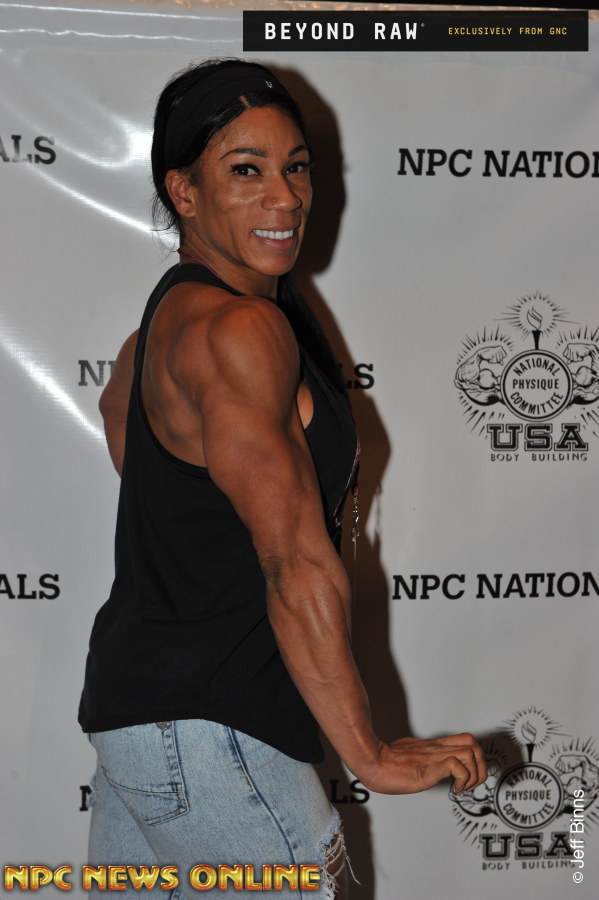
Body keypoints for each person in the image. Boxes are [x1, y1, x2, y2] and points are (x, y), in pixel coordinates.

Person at [79, 59, 487, 898]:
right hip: (215, 730)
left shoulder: (158, 330)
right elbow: (291, 559)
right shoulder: (240, 330)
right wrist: (369, 753)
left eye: (296, 167)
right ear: (184, 192)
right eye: (245, 170)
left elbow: (137, 449)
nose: (286, 197)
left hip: (139, 719)